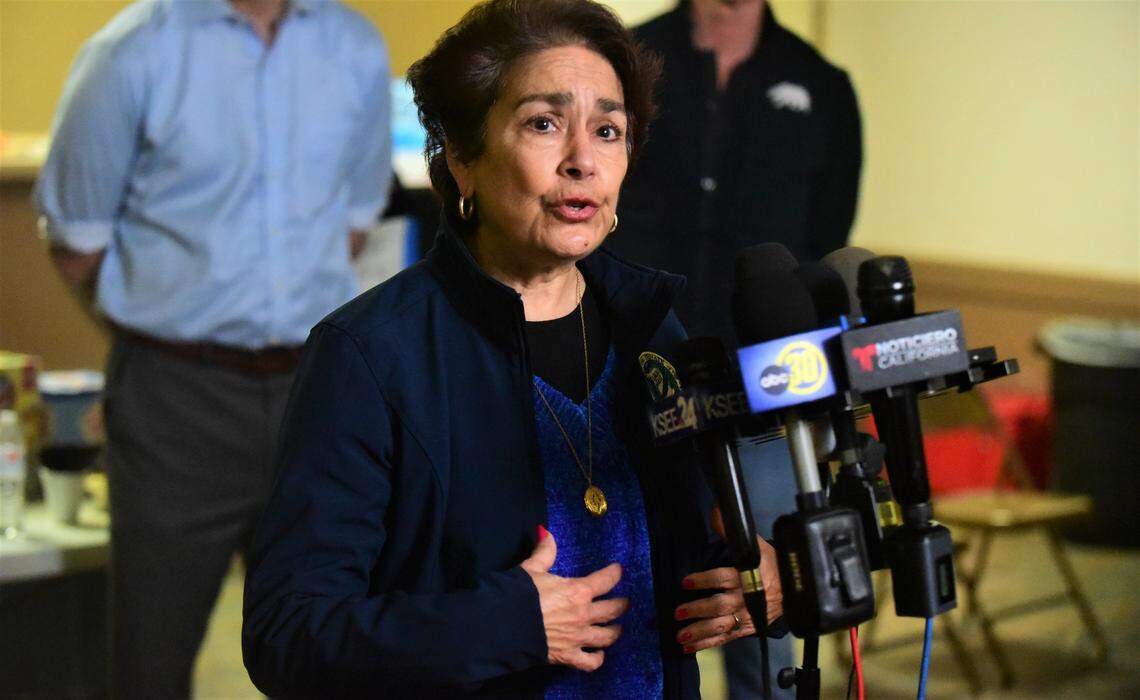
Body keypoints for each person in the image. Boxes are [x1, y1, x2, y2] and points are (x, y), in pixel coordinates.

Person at [241, 0, 782, 697]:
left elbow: (667, 544)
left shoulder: (653, 334)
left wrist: (746, 573)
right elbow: (288, 635)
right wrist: (501, 624)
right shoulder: (370, 355)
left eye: (609, 130)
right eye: (543, 124)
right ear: (463, 159)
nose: (583, 160)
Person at [34, 0, 392, 695]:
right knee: (151, 662)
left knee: (333, 656)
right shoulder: (131, 51)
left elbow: (351, 222)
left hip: (318, 395)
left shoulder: (355, 47)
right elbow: (77, 240)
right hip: (176, 399)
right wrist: (173, 327)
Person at [605, 1, 863, 697]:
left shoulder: (822, 85)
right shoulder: (626, 60)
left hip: (766, 404)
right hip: (624, 385)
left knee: (765, 618)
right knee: (622, 607)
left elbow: (820, 251)